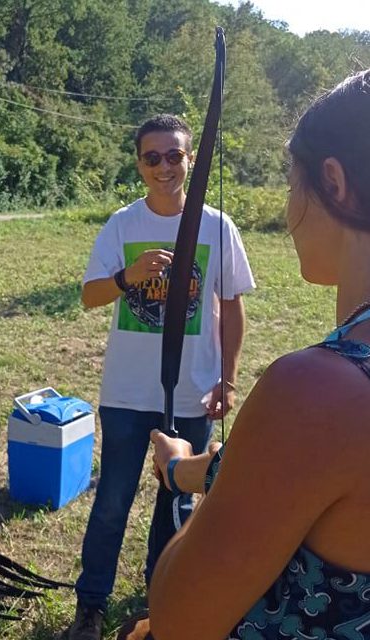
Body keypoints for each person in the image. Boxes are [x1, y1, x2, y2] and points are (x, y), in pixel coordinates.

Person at [117, 68, 370, 640]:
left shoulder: (321, 391)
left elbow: (182, 619)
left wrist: (200, 508)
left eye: (291, 180)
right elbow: (304, 476)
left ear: (334, 183)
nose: (288, 203)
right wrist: (184, 471)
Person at [68, 114, 255, 639]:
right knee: (111, 503)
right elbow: (88, 296)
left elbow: (232, 307)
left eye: (175, 155)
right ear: (139, 165)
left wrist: (229, 379)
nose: (165, 167)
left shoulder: (218, 226)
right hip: (127, 393)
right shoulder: (122, 225)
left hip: (193, 393)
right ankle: (92, 604)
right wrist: (128, 278)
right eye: (153, 158)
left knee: (177, 504)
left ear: (191, 159)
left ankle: (162, 602)